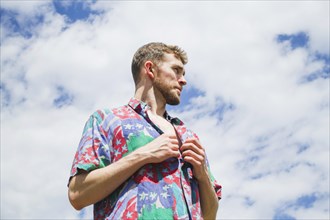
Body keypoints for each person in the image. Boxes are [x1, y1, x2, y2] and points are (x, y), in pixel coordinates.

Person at [68, 42, 222, 219]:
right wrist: (143, 155)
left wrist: (202, 176)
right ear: (150, 69)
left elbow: (210, 216)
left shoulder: (189, 137)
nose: (183, 80)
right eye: (176, 70)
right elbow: (77, 195)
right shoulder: (107, 120)